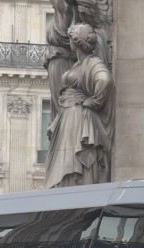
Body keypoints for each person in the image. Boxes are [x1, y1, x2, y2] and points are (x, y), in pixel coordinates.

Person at [43, 23, 115, 188]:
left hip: (77, 119)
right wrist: (56, 123)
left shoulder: (92, 62)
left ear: (75, 42)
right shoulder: (79, 64)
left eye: (70, 39)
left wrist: (94, 101)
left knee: (72, 164)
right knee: (64, 165)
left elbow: (105, 80)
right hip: (68, 118)